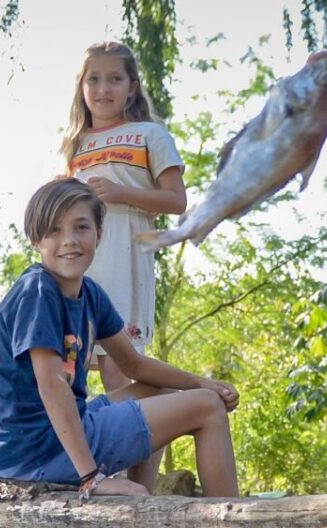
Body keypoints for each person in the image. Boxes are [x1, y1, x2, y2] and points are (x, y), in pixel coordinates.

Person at [0, 179, 240, 498]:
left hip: (46, 439)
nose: (69, 241)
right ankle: (231, 524)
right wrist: (92, 477)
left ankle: (137, 505)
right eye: (54, 231)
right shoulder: (38, 292)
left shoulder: (90, 295)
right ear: (36, 240)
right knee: (207, 408)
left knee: (165, 391)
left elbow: (135, 365)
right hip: (33, 452)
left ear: (99, 233)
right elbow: (52, 386)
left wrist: (203, 382)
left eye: (81, 227)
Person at [61, 40, 186, 394]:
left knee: (119, 365)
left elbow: (177, 200)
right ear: (82, 86)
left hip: (125, 257)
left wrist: (120, 193)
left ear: (131, 87)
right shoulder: (75, 144)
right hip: (79, 261)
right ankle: (84, 444)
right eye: (94, 79)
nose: (103, 89)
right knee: (70, 361)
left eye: (115, 79)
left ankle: (145, 434)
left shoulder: (151, 135)